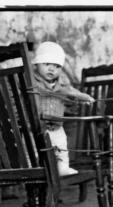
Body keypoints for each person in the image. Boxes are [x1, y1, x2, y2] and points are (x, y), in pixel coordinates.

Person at [32, 41, 95, 176]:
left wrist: (85, 98)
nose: (51, 69)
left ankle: (62, 167)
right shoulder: (31, 82)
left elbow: (74, 93)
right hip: (35, 126)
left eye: (56, 66)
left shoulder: (62, 85)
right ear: (36, 64)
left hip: (56, 126)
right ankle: (35, 169)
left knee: (61, 145)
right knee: (33, 150)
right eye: (47, 64)